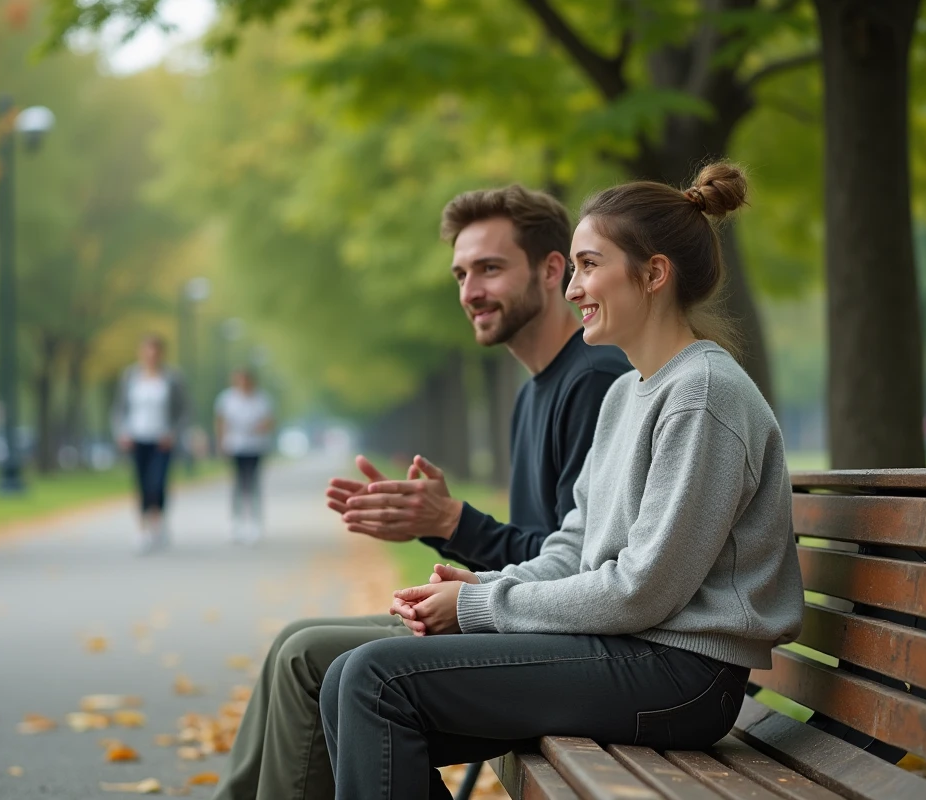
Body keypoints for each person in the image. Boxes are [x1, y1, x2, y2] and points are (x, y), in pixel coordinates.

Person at [319, 163, 807, 799]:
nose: (573, 288)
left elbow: (641, 591)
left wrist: (478, 608)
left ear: (654, 274)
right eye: (574, 268)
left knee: (374, 682)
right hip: (636, 655)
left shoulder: (702, 396)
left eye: (588, 265)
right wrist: (486, 583)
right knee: (346, 681)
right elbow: (574, 548)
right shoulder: (626, 393)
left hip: (684, 678)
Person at [212, 185, 631, 800]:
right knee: (294, 647)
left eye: (490, 268)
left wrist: (453, 522)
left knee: (308, 659)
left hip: (560, 643)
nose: (470, 291)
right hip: (524, 621)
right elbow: (545, 552)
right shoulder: (536, 388)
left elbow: (584, 562)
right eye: (461, 274)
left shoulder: (592, 380)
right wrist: (443, 524)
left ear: (551, 270)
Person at [112, 334, 189, 554]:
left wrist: (173, 433)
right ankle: (142, 528)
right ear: (141, 352)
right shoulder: (130, 376)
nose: (151, 356)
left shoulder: (172, 378)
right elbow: (119, 409)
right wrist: (122, 432)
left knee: (158, 483)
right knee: (141, 484)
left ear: (161, 353)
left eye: (155, 351)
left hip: (162, 440)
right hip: (137, 438)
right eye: (147, 351)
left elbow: (184, 410)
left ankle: (159, 524)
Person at [215, 368, 275, 543]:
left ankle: (255, 522)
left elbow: (269, 420)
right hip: (234, 447)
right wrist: (220, 442)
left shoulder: (261, 399)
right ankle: (236, 522)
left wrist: (259, 427)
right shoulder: (227, 399)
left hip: (255, 447)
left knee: (253, 483)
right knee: (237, 484)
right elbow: (221, 421)